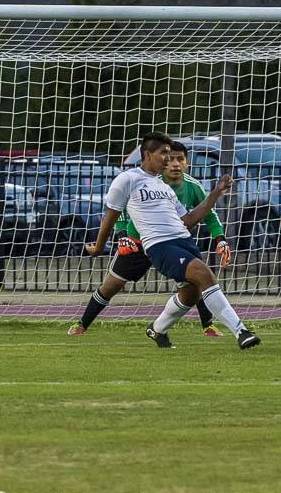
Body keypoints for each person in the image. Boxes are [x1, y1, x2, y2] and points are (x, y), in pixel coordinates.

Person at [85, 132, 260, 350]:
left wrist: (215, 194)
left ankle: (157, 329)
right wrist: (99, 248)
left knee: (190, 294)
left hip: (184, 241)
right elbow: (110, 217)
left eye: (172, 155)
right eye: (164, 153)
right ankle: (241, 331)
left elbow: (188, 220)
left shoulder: (164, 187)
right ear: (148, 155)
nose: (169, 159)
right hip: (159, 245)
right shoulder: (127, 179)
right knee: (204, 274)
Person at [68, 141, 231, 338]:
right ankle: (82, 324)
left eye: (180, 159)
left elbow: (209, 215)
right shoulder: (147, 180)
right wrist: (122, 236)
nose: (175, 164)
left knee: (195, 280)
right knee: (111, 286)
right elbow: (118, 210)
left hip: (171, 244)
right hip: (137, 242)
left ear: (187, 162)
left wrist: (220, 239)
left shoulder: (193, 186)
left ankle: (207, 325)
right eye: (170, 159)